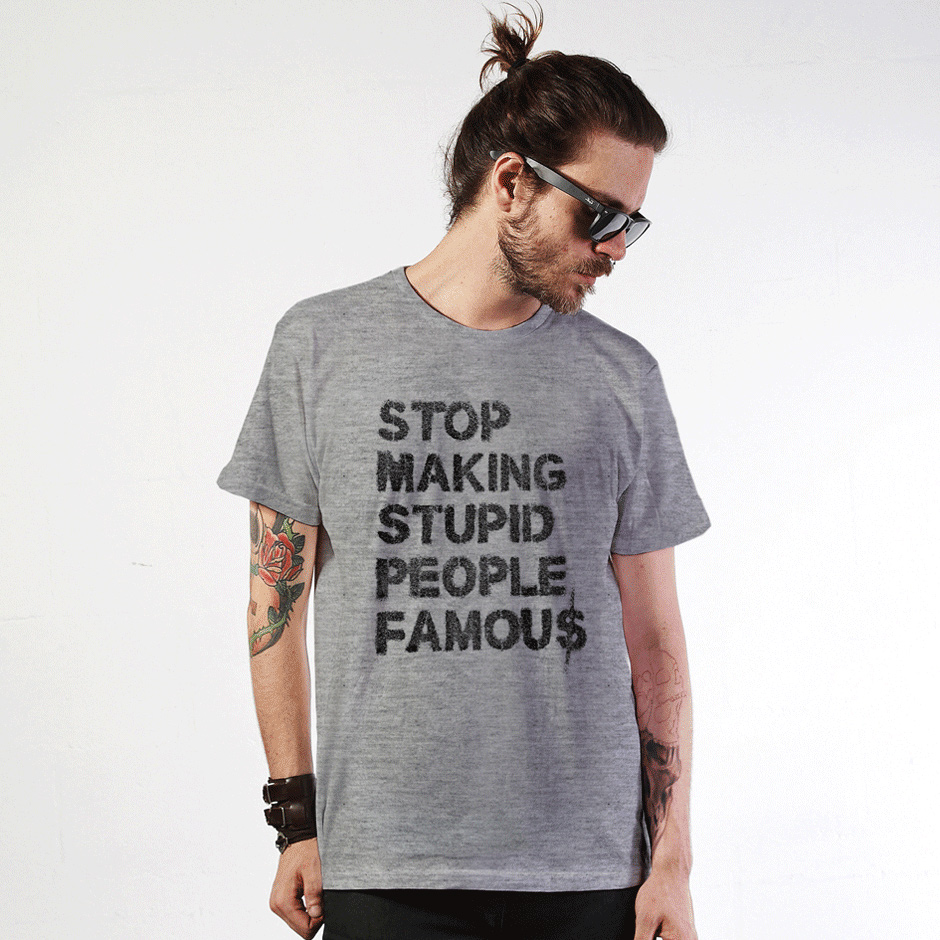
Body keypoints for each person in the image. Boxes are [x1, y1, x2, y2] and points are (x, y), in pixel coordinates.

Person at [218, 6, 710, 939]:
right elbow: (272, 604)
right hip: (383, 861)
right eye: (601, 215)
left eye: (633, 225)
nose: (615, 248)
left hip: (586, 870)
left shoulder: (622, 378)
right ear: (512, 181)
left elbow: (656, 639)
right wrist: (296, 821)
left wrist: (673, 858)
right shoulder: (321, 346)